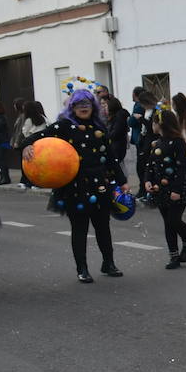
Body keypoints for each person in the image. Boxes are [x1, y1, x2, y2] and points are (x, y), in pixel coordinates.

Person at [41, 89, 129, 283]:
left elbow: (110, 157)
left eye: (87, 104)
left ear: (93, 107)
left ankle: (108, 263)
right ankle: (82, 268)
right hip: (75, 186)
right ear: (72, 108)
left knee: (103, 226)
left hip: (100, 185)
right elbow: (40, 137)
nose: (83, 108)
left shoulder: (99, 127)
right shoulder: (65, 126)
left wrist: (122, 181)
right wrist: (27, 147)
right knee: (80, 228)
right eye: (79, 104)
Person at [144, 110, 186, 269]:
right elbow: (150, 165)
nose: (152, 125)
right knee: (168, 223)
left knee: (174, 220)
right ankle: (173, 255)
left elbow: (181, 168)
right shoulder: (156, 143)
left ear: (160, 124)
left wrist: (177, 190)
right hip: (160, 188)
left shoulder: (178, 142)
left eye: (154, 122)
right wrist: (147, 180)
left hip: (176, 187)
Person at [13, 101, 48, 188]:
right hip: (40, 144)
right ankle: (38, 182)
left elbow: (25, 132)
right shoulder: (43, 118)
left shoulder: (29, 120)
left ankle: (27, 181)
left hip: (29, 143)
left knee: (27, 162)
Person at [105, 96, 129, 170]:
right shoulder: (114, 117)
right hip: (116, 146)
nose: (105, 108)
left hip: (117, 147)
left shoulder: (119, 117)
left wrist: (105, 136)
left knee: (119, 168)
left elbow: (115, 133)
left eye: (106, 106)